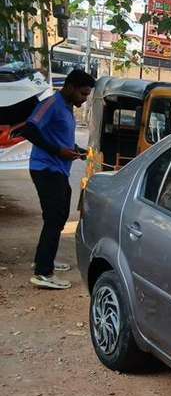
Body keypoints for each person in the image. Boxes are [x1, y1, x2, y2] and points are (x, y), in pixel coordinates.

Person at [16, 68, 95, 289]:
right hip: (46, 169)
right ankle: (43, 272)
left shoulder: (67, 107)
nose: (84, 99)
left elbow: (60, 139)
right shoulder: (52, 104)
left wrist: (75, 150)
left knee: (58, 217)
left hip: (59, 170)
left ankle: (45, 259)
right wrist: (57, 151)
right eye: (83, 94)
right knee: (54, 218)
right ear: (70, 87)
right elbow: (29, 129)